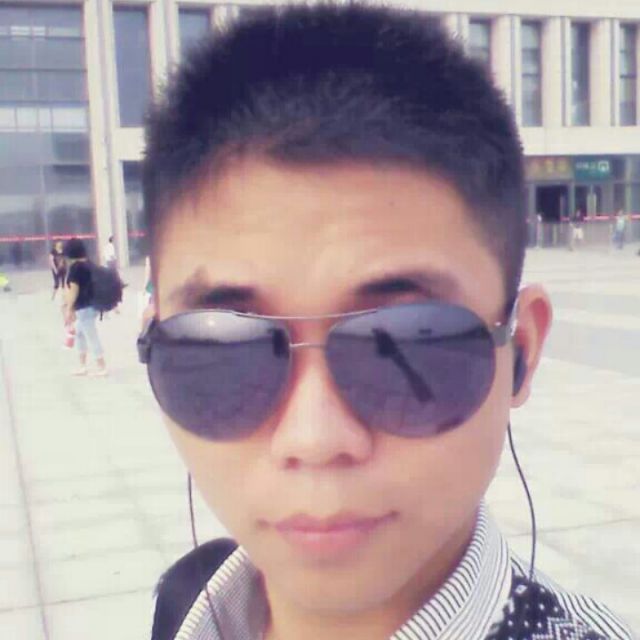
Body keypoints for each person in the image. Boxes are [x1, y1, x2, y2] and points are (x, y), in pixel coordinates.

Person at [138, 6, 634, 640]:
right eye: (224, 347)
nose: (314, 439)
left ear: (522, 351)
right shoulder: (184, 604)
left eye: (404, 345)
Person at [63, 237, 107, 376]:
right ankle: (82, 366)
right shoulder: (89, 264)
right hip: (93, 305)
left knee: (91, 336)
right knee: (80, 334)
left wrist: (69, 308)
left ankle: (102, 366)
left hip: (83, 307)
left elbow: (74, 290)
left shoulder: (75, 268)